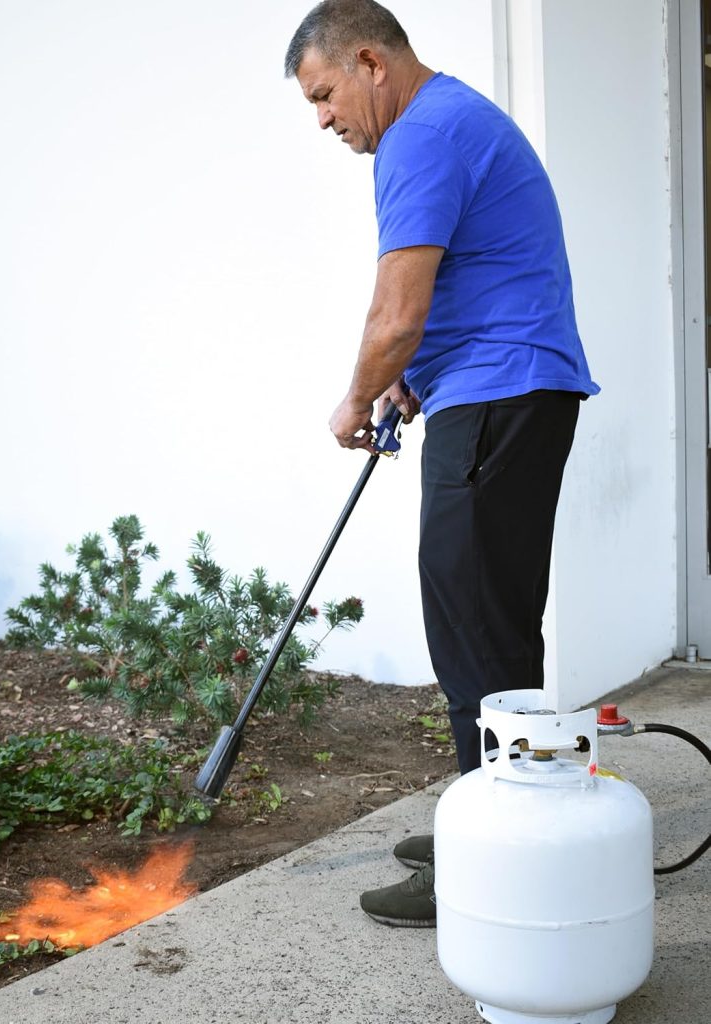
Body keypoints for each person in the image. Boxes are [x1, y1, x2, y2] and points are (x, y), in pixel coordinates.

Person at [284, 0, 599, 927]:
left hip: (496, 404)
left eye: (324, 93)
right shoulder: (456, 119)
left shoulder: (419, 138)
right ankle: (498, 820)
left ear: (370, 62)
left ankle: (489, 870)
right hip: (506, 394)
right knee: (493, 629)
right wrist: (412, 381)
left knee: (474, 639)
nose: (324, 118)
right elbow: (468, 294)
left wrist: (356, 397)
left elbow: (397, 316)